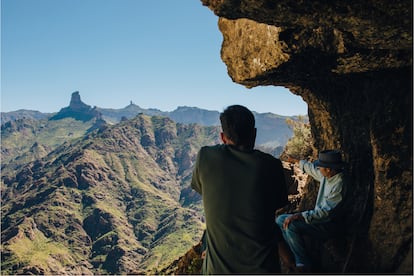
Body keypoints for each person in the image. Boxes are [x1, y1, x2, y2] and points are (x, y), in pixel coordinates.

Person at [191, 105, 289, 274]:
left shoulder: (205, 157)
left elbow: (202, 189)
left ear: (222, 137)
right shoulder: (272, 166)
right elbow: (275, 208)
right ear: (254, 133)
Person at [276, 150, 348, 272]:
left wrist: (299, 215)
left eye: (321, 167)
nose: (318, 168)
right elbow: (311, 169)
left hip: (328, 225)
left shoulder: (339, 185)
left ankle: (302, 262)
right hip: (319, 220)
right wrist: (296, 161)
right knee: (280, 220)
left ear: (329, 169)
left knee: (291, 226)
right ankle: (295, 255)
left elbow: (325, 213)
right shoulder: (328, 176)